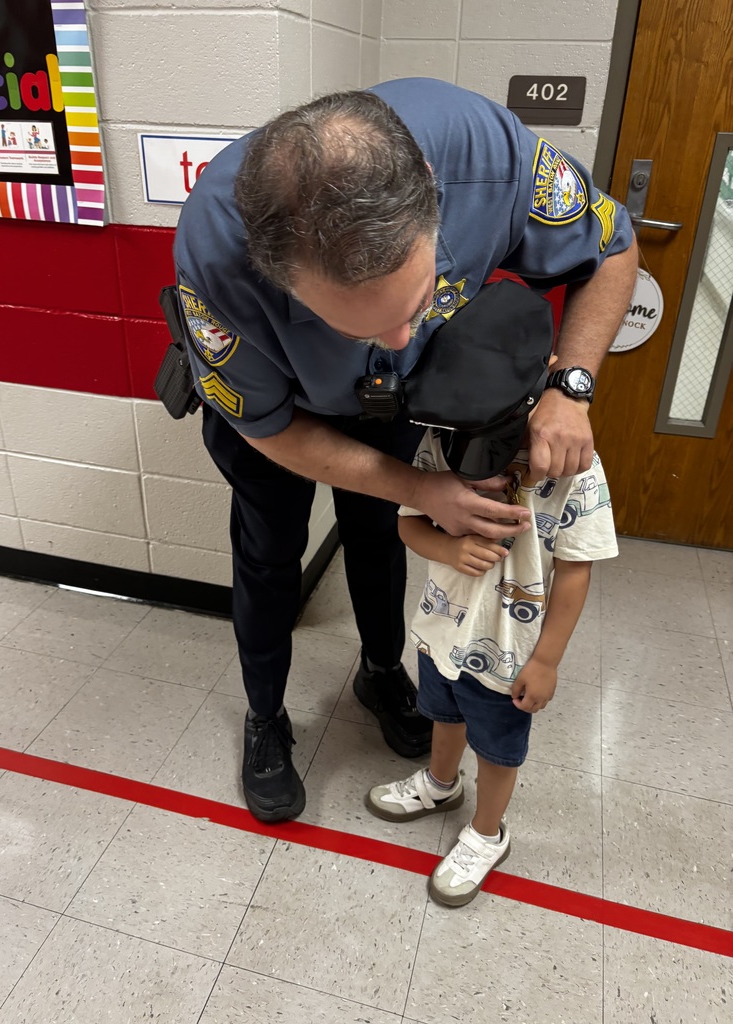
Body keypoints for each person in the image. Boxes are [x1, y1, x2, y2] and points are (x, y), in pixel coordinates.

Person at [172, 77, 637, 824]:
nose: (396, 340)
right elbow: (267, 427)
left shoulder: (489, 154)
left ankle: (382, 673)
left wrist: (572, 387)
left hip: (399, 406)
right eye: (358, 327)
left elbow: (612, 248)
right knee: (269, 555)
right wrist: (420, 491)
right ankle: (266, 720)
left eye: (418, 304)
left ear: (430, 192)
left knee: (379, 540)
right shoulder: (218, 249)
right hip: (278, 418)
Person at [365, 303, 619, 907]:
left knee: (498, 745)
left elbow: (576, 570)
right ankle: (439, 783)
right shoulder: (441, 436)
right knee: (443, 713)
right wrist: (447, 549)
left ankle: (486, 832)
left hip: (509, 653)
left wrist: (548, 661)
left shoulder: (575, 469)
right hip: (441, 630)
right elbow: (408, 525)